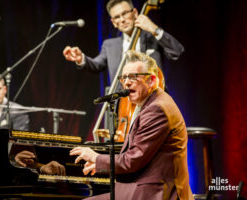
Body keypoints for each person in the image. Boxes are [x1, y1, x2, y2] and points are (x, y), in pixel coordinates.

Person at [70, 50, 194, 200]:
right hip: (143, 187)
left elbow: (132, 160)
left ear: (152, 80)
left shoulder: (157, 109)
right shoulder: (151, 103)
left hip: (155, 192)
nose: (127, 82)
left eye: (133, 77)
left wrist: (96, 158)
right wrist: (101, 165)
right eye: (124, 78)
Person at [63, 0, 184, 83]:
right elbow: (96, 65)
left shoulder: (152, 37)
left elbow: (176, 51)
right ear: (113, 23)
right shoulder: (109, 45)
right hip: (123, 108)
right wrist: (80, 58)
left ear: (135, 13)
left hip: (154, 103)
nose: (122, 20)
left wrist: (154, 29)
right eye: (117, 17)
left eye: (125, 13)